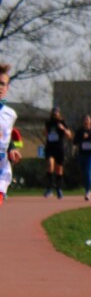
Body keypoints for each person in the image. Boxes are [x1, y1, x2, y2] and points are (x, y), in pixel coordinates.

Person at [0, 64, 23, 206]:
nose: (0, 87)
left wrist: (12, 149)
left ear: (7, 88)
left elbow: (7, 138)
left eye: (3, 84)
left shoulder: (10, 115)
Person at [43, 106, 73, 198]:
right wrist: (46, 133)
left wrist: (63, 129)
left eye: (56, 112)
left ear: (59, 113)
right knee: (50, 165)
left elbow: (69, 135)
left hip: (59, 148)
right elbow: (45, 133)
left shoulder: (62, 122)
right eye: (53, 112)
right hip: (50, 147)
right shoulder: (48, 123)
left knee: (59, 169)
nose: (55, 114)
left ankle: (59, 189)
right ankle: (49, 189)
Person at [74, 114, 91, 201]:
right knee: (84, 174)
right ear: (83, 122)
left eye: (88, 120)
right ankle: (87, 189)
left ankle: (88, 191)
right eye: (85, 120)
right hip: (82, 155)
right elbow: (75, 142)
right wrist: (82, 138)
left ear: (90, 121)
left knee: (88, 172)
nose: (86, 121)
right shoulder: (79, 131)